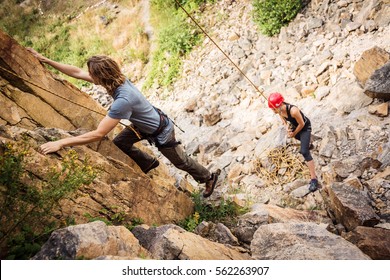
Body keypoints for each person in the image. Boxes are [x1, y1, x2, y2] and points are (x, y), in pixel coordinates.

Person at [28, 48, 218, 198]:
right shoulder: (116, 80)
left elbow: (98, 134)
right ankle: (149, 163)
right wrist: (44, 59)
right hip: (145, 124)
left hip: (161, 130)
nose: (88, 76)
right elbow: (76, 72)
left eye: (91, 74)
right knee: (120, 142)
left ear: (100, 77)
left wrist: (61, 142)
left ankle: (208, 177)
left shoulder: (123, 101)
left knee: (181, 162)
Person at [267, 92, 319, 192]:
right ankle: (307, 142)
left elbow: (302, 124)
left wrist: (294, 133)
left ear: (279, 105)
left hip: (304, 127)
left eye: (273, 108)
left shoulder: (293, 111)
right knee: (298, 137)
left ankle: (314, 178)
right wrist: (287, 128)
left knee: (304, 151)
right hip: (295, 126)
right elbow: (283, 120)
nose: (273, 111)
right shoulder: (279, 110)